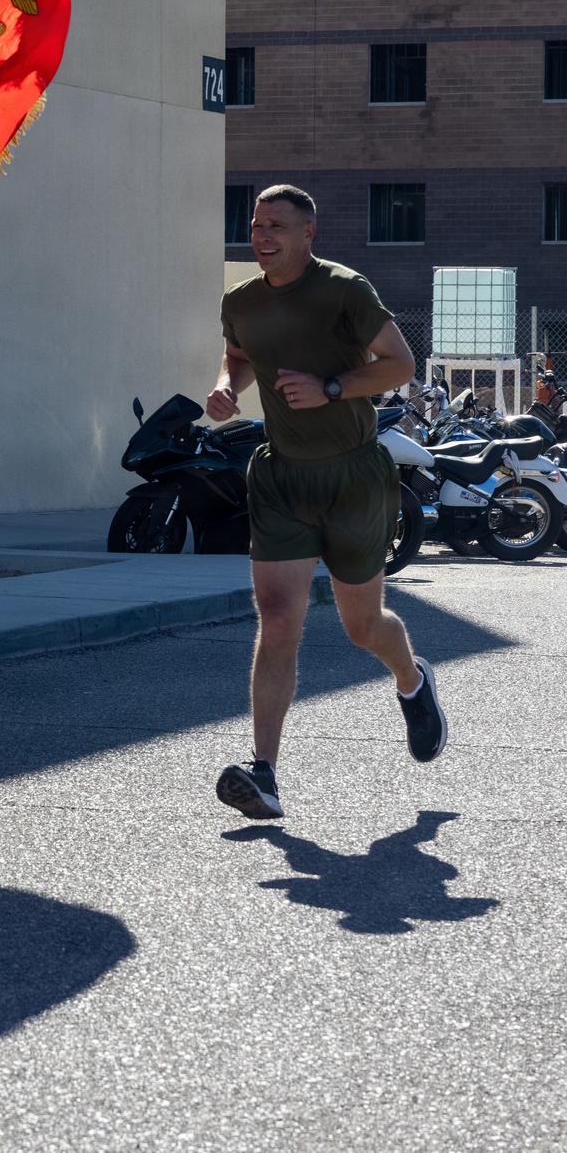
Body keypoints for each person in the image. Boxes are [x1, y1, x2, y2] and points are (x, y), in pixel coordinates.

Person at [207, 184, 446, 820]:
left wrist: (332, 387)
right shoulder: (241, 301)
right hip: (281, 478)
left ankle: (412, 679)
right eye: (256, 224)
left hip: (353, 477)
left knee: (362, 628)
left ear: (308, 233)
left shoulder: (345, 289)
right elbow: (237, 355)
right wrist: (227, 387)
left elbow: (400, 364)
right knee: (278, 617)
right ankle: (264, 773)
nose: (262, 236)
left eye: (276, 226)